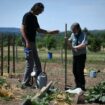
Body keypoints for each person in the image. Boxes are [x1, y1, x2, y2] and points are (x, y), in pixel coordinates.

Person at [20, 2, 59, 88]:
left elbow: (38, 30)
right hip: (27, 43)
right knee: (30, 63)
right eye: (40, 11)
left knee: (37, 63)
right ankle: (25, 83)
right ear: (36, 8)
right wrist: (26, 41)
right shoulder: (27, 15)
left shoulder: (34, 18)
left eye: (41, 11)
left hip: (33, 42)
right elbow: (22, 29)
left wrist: (50, 32)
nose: (40, 13)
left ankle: (38, 82)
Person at [68, 22, 87, 91]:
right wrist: (66, 40)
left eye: (73, 29)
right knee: (74, 71)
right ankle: (77, 85)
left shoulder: (83, 34)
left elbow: (83, 44)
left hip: (81, 56)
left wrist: (75, 47)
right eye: (72, 29)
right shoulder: (72, 34)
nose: (72, 31)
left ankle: (82, 86)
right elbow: (69, 41)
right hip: (75, 56)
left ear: (77, 28)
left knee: (80, 71)